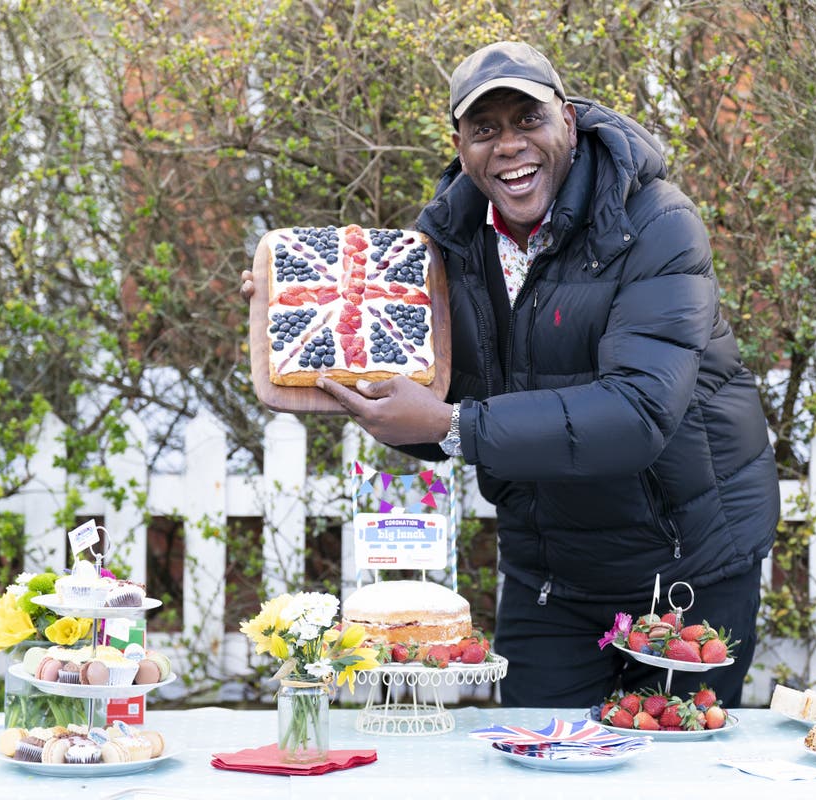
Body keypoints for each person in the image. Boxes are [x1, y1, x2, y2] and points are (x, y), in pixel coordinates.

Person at [243, 41, 778, 709]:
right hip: (548, 571)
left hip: (684, 565)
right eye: (484, 129)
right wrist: (297, 319)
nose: (509, 145)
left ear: (569, 124)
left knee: (669, 768)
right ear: (460, 147)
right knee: (532, 761)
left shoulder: (656, 225)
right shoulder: (447, 246)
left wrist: (452, 422)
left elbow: (638, 412)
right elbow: (437, 409)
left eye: (529, 120)